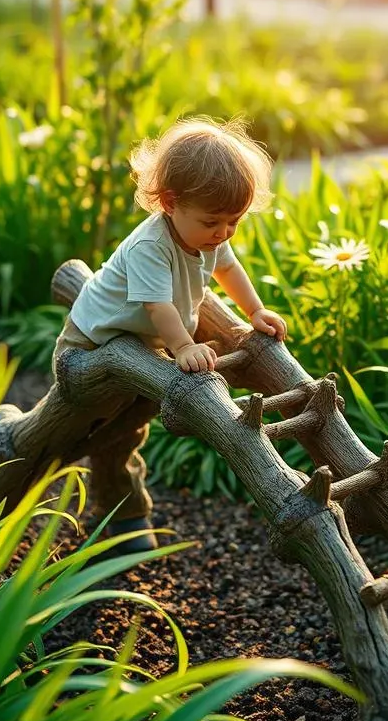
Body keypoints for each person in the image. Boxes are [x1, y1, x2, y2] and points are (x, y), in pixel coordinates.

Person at [57, 117, 289, 551]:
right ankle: (17, 488)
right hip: (91, 344)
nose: (223, 232)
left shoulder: (208, 233)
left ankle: (124, 519)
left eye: (233, 222)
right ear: (168, 202)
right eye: (213, 222)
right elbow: (157, 306)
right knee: (80, 432)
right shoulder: (151, 245)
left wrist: (255, 311)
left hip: (142, 342)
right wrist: (183, 345)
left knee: (124, 434)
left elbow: (227, 268)